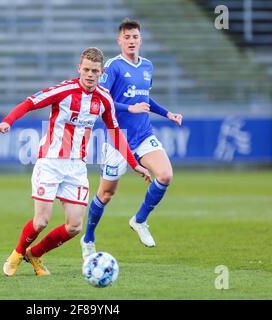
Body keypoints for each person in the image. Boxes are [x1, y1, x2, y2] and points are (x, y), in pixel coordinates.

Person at [0, 47, 151, 277]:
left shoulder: (104, 99)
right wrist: (8, 121)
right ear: (79, 68)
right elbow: (29, 103)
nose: (89, 74)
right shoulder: (63, 90)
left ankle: (35, 253)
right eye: (86, 69)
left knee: (75, 226)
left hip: (77, 166)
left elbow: (115, 132)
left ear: (101, 72)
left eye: (94, 71)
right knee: (41, 221)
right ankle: (16, 255)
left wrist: (135, 163)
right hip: (50, 162)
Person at [81, 19, 183, 259]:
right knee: (106, 195)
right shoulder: (113, 67)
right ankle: (88, 239)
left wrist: (168, 114)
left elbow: (145, 99)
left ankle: (140, 220)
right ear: (119, 41)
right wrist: (130, 109)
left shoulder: (147, 66)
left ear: (140, 39)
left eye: (135, 37)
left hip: (143, 135)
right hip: (118, 137)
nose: (131, 41)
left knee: (165, 175)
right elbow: (101, 101)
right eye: (126, 37)